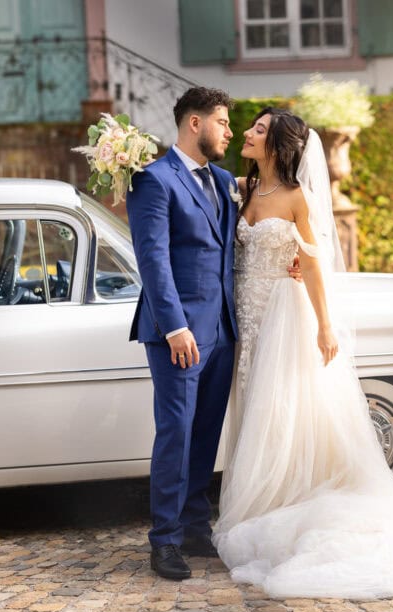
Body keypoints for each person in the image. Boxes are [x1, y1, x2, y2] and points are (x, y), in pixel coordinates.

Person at [212, 107, 393, 599]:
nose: (247, 132)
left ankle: (282, 499)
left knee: (280, 406)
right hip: (247, 311)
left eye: (258, 130)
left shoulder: (295, 197)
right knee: (252, 402)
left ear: (278, 145)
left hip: (284, 313)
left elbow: (313, 261)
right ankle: (262, 492)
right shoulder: (240, 191)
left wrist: (325, 325)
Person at [125, 87, 239, 580]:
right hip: (179, 334)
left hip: (223, 330)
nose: (230, 131)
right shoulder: (152, 181)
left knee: (206, 432)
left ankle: (195, 526)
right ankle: (164, 540)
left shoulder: (226, 180)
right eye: (223, 121)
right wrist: (174, 326)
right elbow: (152, 260)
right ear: (194, 123)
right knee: (176, 431)